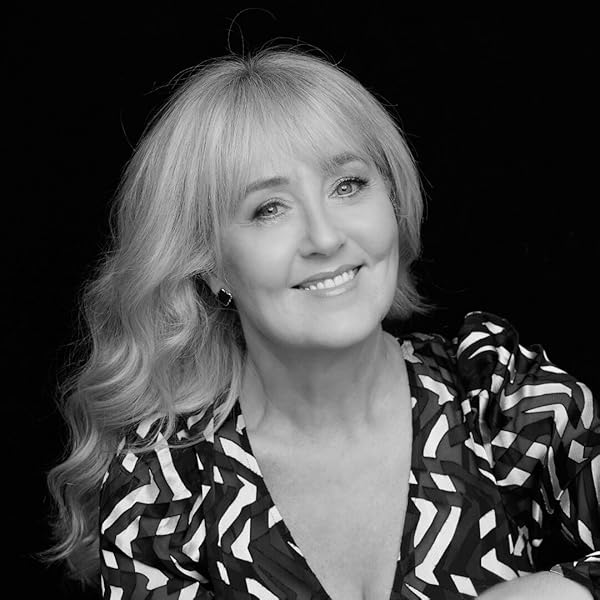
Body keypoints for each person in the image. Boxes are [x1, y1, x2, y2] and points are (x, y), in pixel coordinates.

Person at [44, 46, 599, 599]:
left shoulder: (500, 397)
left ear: (392, 201)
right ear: (210, 265)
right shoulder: (163, 486)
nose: (326, 237)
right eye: (268, 208)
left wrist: (561, 591)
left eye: (348, 185)